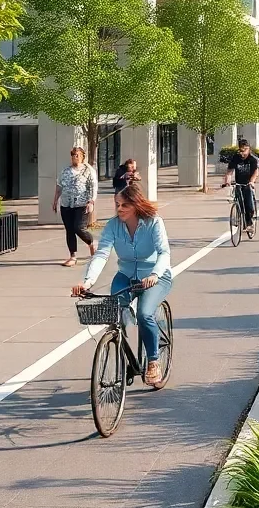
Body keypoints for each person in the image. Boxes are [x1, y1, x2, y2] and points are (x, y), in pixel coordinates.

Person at [71, 184, 171, 386]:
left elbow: (164, 253)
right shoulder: (113, 226)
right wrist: (87, 282)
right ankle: (122, 358)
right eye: (117, 204)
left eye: (125, 205)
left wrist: (154, 274)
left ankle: (153, 361)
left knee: (144, 314)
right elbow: (101, 254)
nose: (119, 209)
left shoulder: (153, 223)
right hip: (125, 276)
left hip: (155, 277)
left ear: (136, 204)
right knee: (117, 315)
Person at [53, 147, 97, 268]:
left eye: (77, 155)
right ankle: (73, 256)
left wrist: (91, 202)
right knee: (69, 229)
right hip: (66, 204)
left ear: (82, 156)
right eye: (73, 155)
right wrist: (55, 200)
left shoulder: (88, 171)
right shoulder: (65, 171)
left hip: (82, 204)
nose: (74, 157)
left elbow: (93, 187)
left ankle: (91, 242)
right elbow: (59, 186)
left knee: (78, 227)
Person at [223, 138, 259, 231]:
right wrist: (227, 181)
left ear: (248, 149)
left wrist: (252, 181)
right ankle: (239, 216)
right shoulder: (236, 157)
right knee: (238, 200)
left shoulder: (253, 159)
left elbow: (256, 172)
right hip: (239, 183)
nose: (242, 153)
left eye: (245, 150)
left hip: (248, 184)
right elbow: (229, 171)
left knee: (248, 203)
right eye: (240, 150)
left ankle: (250, 222)